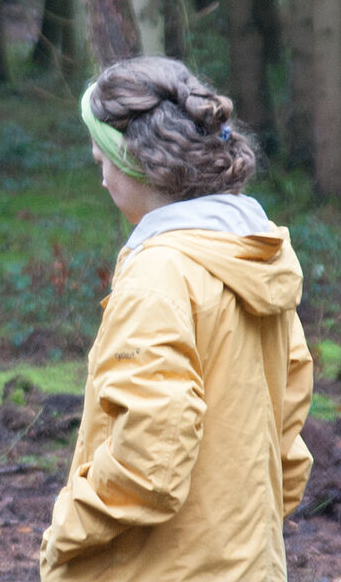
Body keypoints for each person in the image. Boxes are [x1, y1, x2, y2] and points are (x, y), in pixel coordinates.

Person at [40, 56, 314, 581]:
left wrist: (66, 530)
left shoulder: (158, 275)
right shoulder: (254, 257)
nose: (102, 181)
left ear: (135, 163)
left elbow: (150, 460)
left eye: (102, 161)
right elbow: (288, 435)